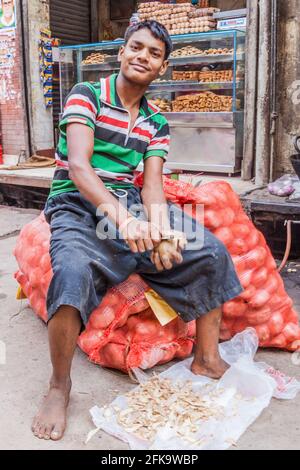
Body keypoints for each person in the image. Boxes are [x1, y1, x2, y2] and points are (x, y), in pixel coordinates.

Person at [31, 20, 243, 441]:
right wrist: (125, 223)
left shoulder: (155, 121)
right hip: (77, 204)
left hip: (128, 207)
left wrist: (160, 232)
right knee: (72, 273)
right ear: (121, 52)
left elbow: (151, 187)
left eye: (154, 53)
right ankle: (59, 385)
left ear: (161, 67)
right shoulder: (86, 95)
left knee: (212, 251)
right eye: (136, 47)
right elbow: (78, 167)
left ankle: (206, 356)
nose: (143, 56)